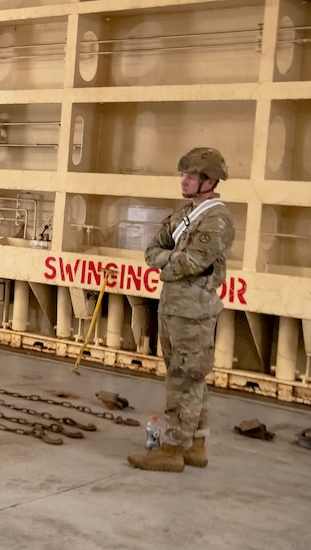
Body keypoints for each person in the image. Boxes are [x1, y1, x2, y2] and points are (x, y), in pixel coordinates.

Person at [128, 147, 235, 472]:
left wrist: (169, 261)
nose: (184, 181)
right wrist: (169, 259)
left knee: (184, 381)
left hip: (194, 313)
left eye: (191, 176)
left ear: (210, 180)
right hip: (174, 307)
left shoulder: (216, 220)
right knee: (189, 378)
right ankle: (195, 444)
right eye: (184, 174)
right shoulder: (184, 214)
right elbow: (151, 249)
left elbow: (189, 263)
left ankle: (172, 449)